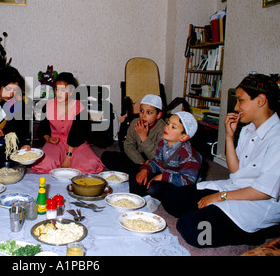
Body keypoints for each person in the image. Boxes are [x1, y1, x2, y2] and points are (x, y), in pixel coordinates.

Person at [162, 74, 280, 247]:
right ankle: (214, 215)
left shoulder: (277, 137)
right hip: (236, 188)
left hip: (259, 203)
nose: (236, 106)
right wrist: (229, 137)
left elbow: (263, 192)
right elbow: (236, 174)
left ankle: (254, 234)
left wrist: (220, 197)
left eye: (240, 101)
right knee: (171, 199)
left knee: (191, 229)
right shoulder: (248, 130)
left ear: (260, 100)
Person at [31, 72, 104, 174]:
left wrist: (68, 157)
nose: (59, 93)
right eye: (57, 89)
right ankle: (58, 159)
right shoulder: (48, 106)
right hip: (55, 143)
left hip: (76, 145)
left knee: (90, 164)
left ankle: (69, 160)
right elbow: (43, 128)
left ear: (71, 91)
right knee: (46, 163)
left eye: (63, 89)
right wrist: (48, 138)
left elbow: (78, 134)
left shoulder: (79, 108)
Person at [129, 111, 202, 200]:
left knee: (154, 188)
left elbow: (188, 181)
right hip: (165, 173)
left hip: (180, 184)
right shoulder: (162, 142)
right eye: (168, 123)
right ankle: (140, 195)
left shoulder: (188, 155)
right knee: (136, 171)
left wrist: (163, 177)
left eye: (173, 127)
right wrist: (146, 169)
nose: (167, 127)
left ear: (183, 137)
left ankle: (150, 196)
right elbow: (155, 162)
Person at [101, 94, 165, 173]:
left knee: (159, 170)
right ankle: (140, 170)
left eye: (149, 112)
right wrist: (141, 163)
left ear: (158, 115)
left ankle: (140, 172)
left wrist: (143, 137)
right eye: (141, 111)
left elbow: (158, 158)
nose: (143, 115)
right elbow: (128, 145)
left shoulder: (163, 129)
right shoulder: (135, 122)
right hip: (137, 158)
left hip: (153, 161)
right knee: (106, 156)